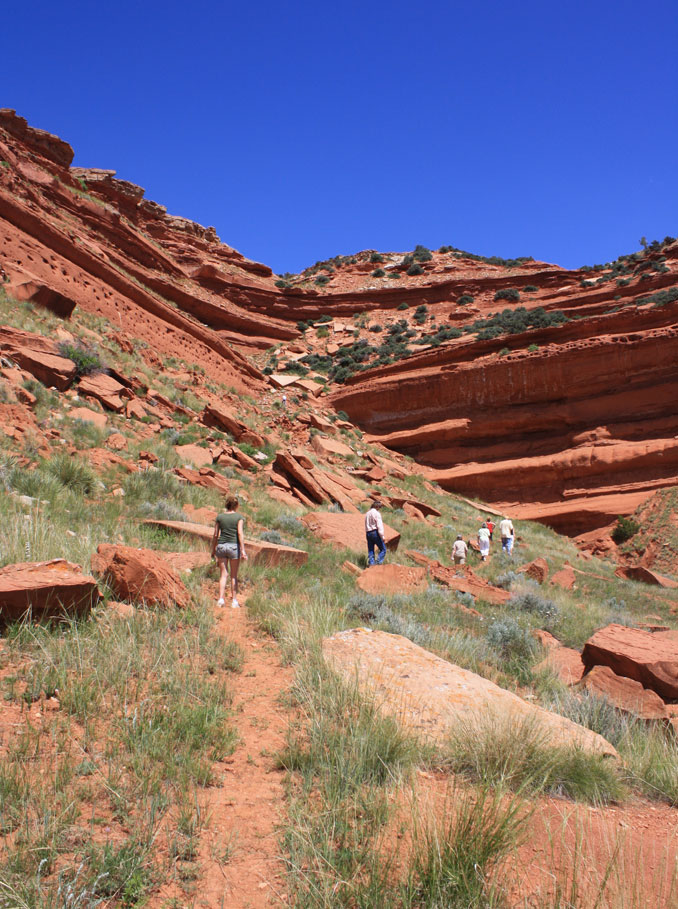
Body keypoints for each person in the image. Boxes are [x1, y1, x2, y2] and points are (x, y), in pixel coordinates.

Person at [211, 495, 248, 608]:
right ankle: (234, 601)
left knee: (223, 575)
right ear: (236, 505)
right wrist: (243, 551)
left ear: (226, 505)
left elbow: (216, 535)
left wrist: (213, 550)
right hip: (233, 547)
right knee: (233, 575)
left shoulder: (220, 517)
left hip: (221, 547)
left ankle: (221, 599)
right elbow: (240, 534)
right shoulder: (239, 517)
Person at [365, 500, 386, 566]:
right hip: (375, 533)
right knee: (383, 549)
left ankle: (371, 564)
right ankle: (378, 563)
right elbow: (379, 525)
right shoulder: (377, 513)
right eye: (379, 507)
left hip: (368, 533)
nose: (379, 509)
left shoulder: (367, 513)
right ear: (377, 507)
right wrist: (382, 536)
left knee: (371, 550)